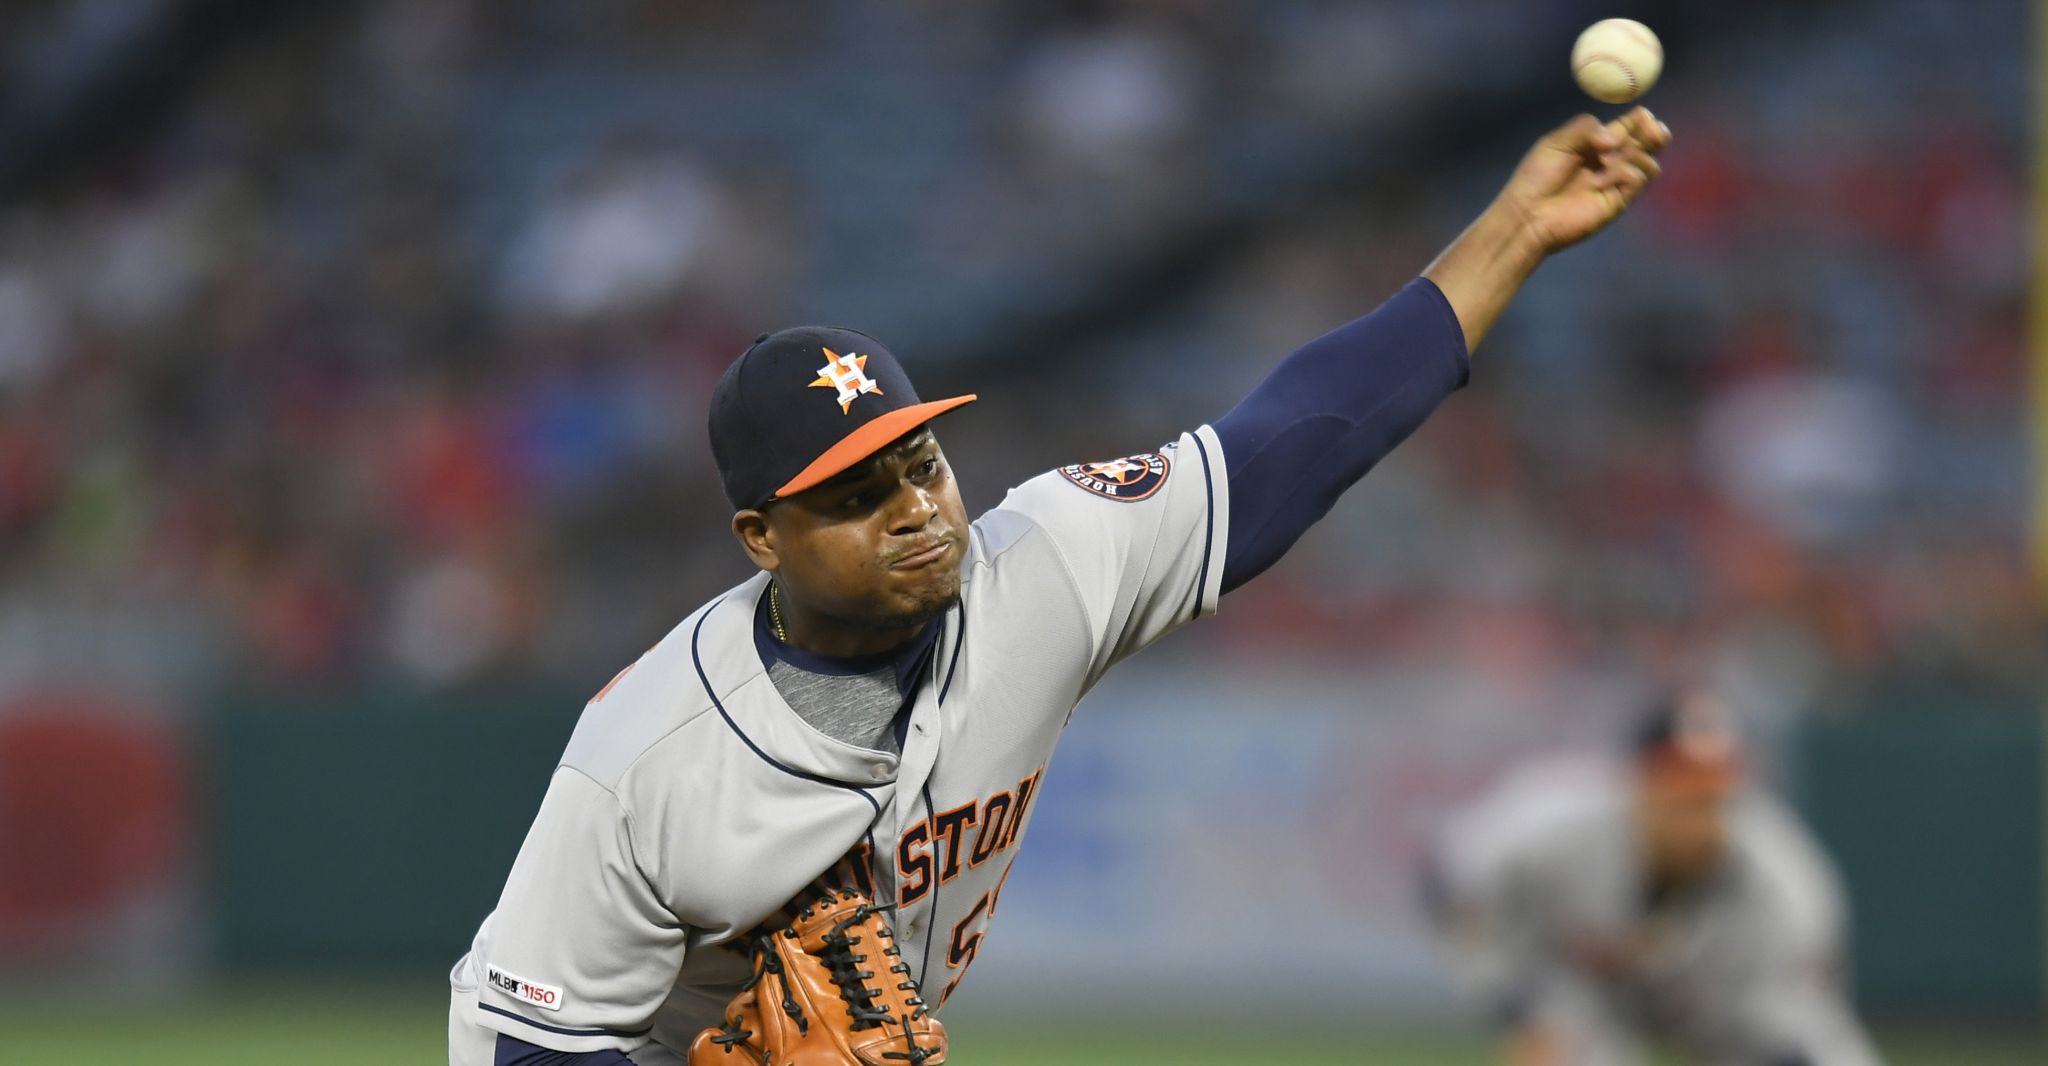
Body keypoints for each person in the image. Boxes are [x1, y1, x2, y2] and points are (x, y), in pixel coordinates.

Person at [448, 108, 1673, 1065]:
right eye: (854, 497)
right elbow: (524, 1040)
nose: (918, 512)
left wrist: (1514, 226)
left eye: (919, 465)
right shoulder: (644, 756)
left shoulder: (1041, 559)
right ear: (761, 537)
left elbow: (1299, 436)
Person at [1423, 693, 1885, 1066]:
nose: (1699, 816)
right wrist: (1518, 1010)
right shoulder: (1555, 826)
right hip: (1585, 994)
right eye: (1679, 789)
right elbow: (1450, 880)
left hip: (1719, 1004)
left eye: (1714, 795)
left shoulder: (1786, 888)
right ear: (1638, 782)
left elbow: (1796, 1031)